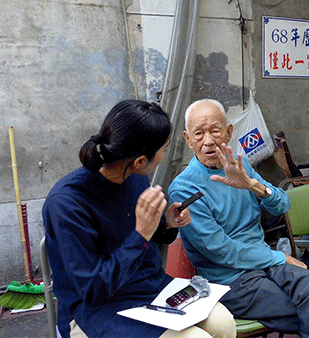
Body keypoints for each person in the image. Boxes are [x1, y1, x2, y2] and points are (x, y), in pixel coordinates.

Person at [42, 100, 235, 338]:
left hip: (148, 288)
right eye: (164, 149)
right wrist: (141, 233)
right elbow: (93, 289)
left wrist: (166, 224)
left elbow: (146, 239)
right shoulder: (67, 203)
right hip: (97, 308)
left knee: (224, 324)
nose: (165, 155)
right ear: (141, 161)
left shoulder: (134, 177)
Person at [168, 99, 309, 337]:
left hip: (266, 264)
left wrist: (253, 185)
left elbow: (282, 204)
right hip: (230, 280)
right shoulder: (184, 188)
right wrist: (278, 257)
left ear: (229, 131)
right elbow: (221, 251)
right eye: (199, 133)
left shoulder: (239, 165)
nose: (209, 141)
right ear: (188, 139)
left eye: (215, 130)